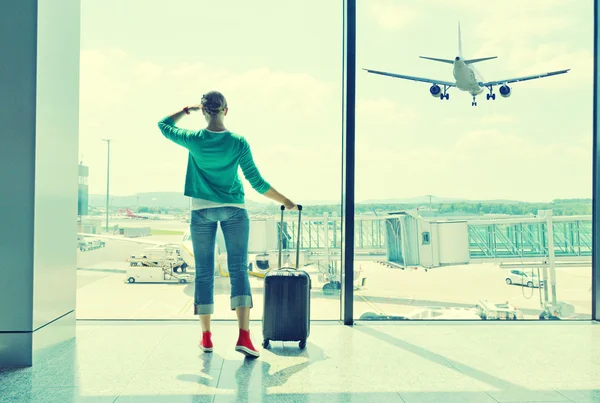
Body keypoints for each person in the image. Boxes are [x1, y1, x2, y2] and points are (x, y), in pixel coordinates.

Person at [158, 91, 297, 358]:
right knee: (238, 270)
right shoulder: (237, 142)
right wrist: (285, 199)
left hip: (201, 212)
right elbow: (256, 182)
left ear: (204, 110)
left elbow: (163, 125)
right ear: (226, 110)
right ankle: (244, 336)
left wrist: (186, 110)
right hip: (234, 210)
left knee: (204, 273)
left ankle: (207, 338)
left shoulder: (193, 139)